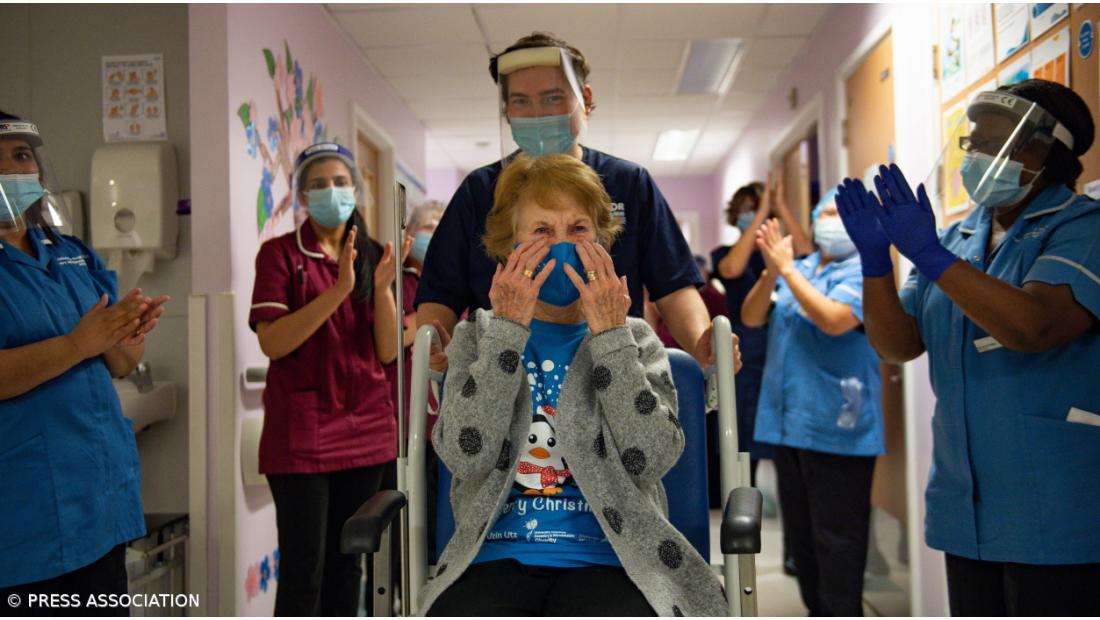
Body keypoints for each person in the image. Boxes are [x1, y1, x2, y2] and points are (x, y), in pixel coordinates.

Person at [836, 79, 1100, 616]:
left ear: (1043, 152)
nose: (974, 154)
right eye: (970, 142)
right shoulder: (957, 239)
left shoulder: (1082, 227)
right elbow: (896, 345)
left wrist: (930, 255)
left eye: (990, 143)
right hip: (967, 504)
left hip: (1058, 506)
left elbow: (1034, 326)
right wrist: (876, 262)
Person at [421, 154, 726, 616]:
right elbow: (467, 456)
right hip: (495, 552)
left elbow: (651, 458)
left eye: (578, 229)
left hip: (615, 555)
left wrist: (610, 336)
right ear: (509, 246)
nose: (561, 245)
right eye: (542, 231)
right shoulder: (477, 337)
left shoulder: (636, 338)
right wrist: (507, 332)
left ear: (601, 241)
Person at [415, 31, 738, 373]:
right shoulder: (480, 191)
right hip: (504, 375)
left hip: (612, 370)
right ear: (506, 110)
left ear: (584, 98)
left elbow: (673, 287)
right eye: (521, 101)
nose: (537, 114)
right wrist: (432, 349)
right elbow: (440, 293)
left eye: (553, 98)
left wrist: (702, 343)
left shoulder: (628, 183)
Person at [0, 115, 168, 613]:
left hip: (98, 500)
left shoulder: (69, 252)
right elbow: (80, 346)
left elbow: (120, 362)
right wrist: (78, 344)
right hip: (25, 517)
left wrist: (127, 333)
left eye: (22, 155)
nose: (12, 170)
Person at [248, 142, 400, 616]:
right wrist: (339, 291)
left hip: (367, 431)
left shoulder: (372, 253)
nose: (331, 192)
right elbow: (273, 342)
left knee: (348, 565)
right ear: (301, 197)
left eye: (339, 182)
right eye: (318, 185)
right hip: (303, 437)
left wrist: (381, 290)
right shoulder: (279, 255)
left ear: (355, 190)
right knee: (304, 570)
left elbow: (387, 351)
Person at [741, 191, 884, 616]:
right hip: (789, 424)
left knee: (837, 542)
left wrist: (786, 269)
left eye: (842, 213)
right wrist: (771, 273)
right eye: (826, 212)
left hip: (837, 424)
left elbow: (834, 320)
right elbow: (751, 316)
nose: (831, 220)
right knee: (802, 543)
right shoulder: (799, 268)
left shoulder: (866, 271)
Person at [711, 175, 812, 487]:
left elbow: (808, 254)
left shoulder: (784, 254)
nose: (751, 214)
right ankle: (744, 496)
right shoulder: (726, 253)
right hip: (747, 351)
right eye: (745, 210)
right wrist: (760, 218)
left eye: (756, 209)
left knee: (789, 435)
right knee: (744, 436)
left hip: (787, 347)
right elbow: (731, 270)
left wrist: (780, 208)